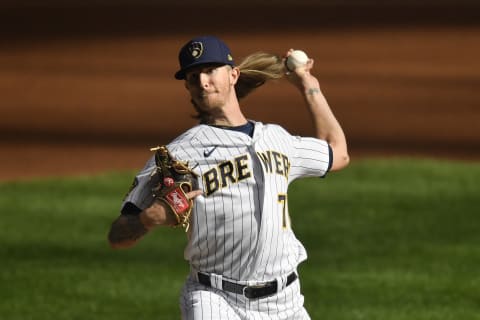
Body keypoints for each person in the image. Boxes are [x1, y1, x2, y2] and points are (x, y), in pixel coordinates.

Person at [108, 35, 349, 319]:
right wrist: (150, 219)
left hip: (287, 303)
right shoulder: (177, 154)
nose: (202, 81)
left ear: (233, 74)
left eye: (210, 70)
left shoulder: (277, 138)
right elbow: (118, 235)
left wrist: (308, 84)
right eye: (193, 76)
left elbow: (338, 153)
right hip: (216, 299)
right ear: (187, 86)